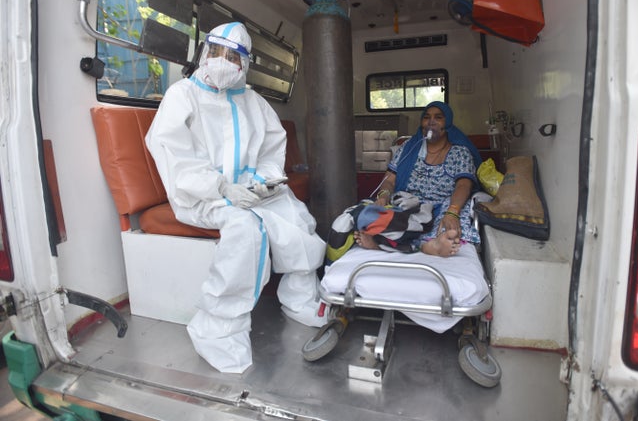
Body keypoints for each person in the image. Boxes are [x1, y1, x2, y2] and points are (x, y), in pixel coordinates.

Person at [145, 22, 327, 374]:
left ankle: (299, 296)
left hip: (249, 190)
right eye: (216, 53)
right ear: (205, 53)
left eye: (232, 56)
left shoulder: (253, 102)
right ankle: (216, 328)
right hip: (201, 197)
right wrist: (222, 188)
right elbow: (173, 155)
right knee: (246, 230)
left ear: (245, 64)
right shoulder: (183, 95)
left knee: (295, 214)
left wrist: (261, 183)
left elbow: (273, 150)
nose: (222, 61)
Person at [354, 101, 483, 256]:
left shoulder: (460, 152)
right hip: (409, 205)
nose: (431, 121)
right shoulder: (408, 148)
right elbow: (389, 180)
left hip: (441, 207)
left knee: (450, 226)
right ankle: (415, 245)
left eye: (438, 117)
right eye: (426, 117)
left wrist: (453, 211)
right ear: (422, 123)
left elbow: (464, 185)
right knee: (363, 210)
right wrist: (383, 197)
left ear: (447, 123)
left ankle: (424, 243)